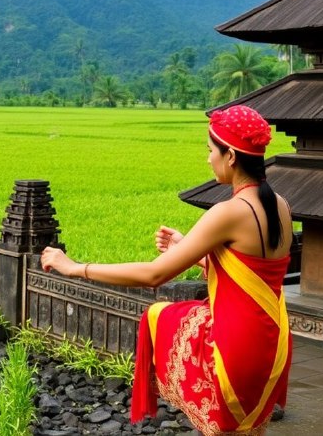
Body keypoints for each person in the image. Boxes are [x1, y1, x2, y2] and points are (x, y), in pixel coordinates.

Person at [41, 104, 293, 435]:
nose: (208, 159)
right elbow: (246, 271)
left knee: (160, 318)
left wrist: (75, 268)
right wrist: (188, 246)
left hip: (237, 347)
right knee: (250, 427)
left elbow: (154, 275)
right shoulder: (279, 204)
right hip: (274, 341)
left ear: (230, 156)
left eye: (210, 151)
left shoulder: (229, 211)